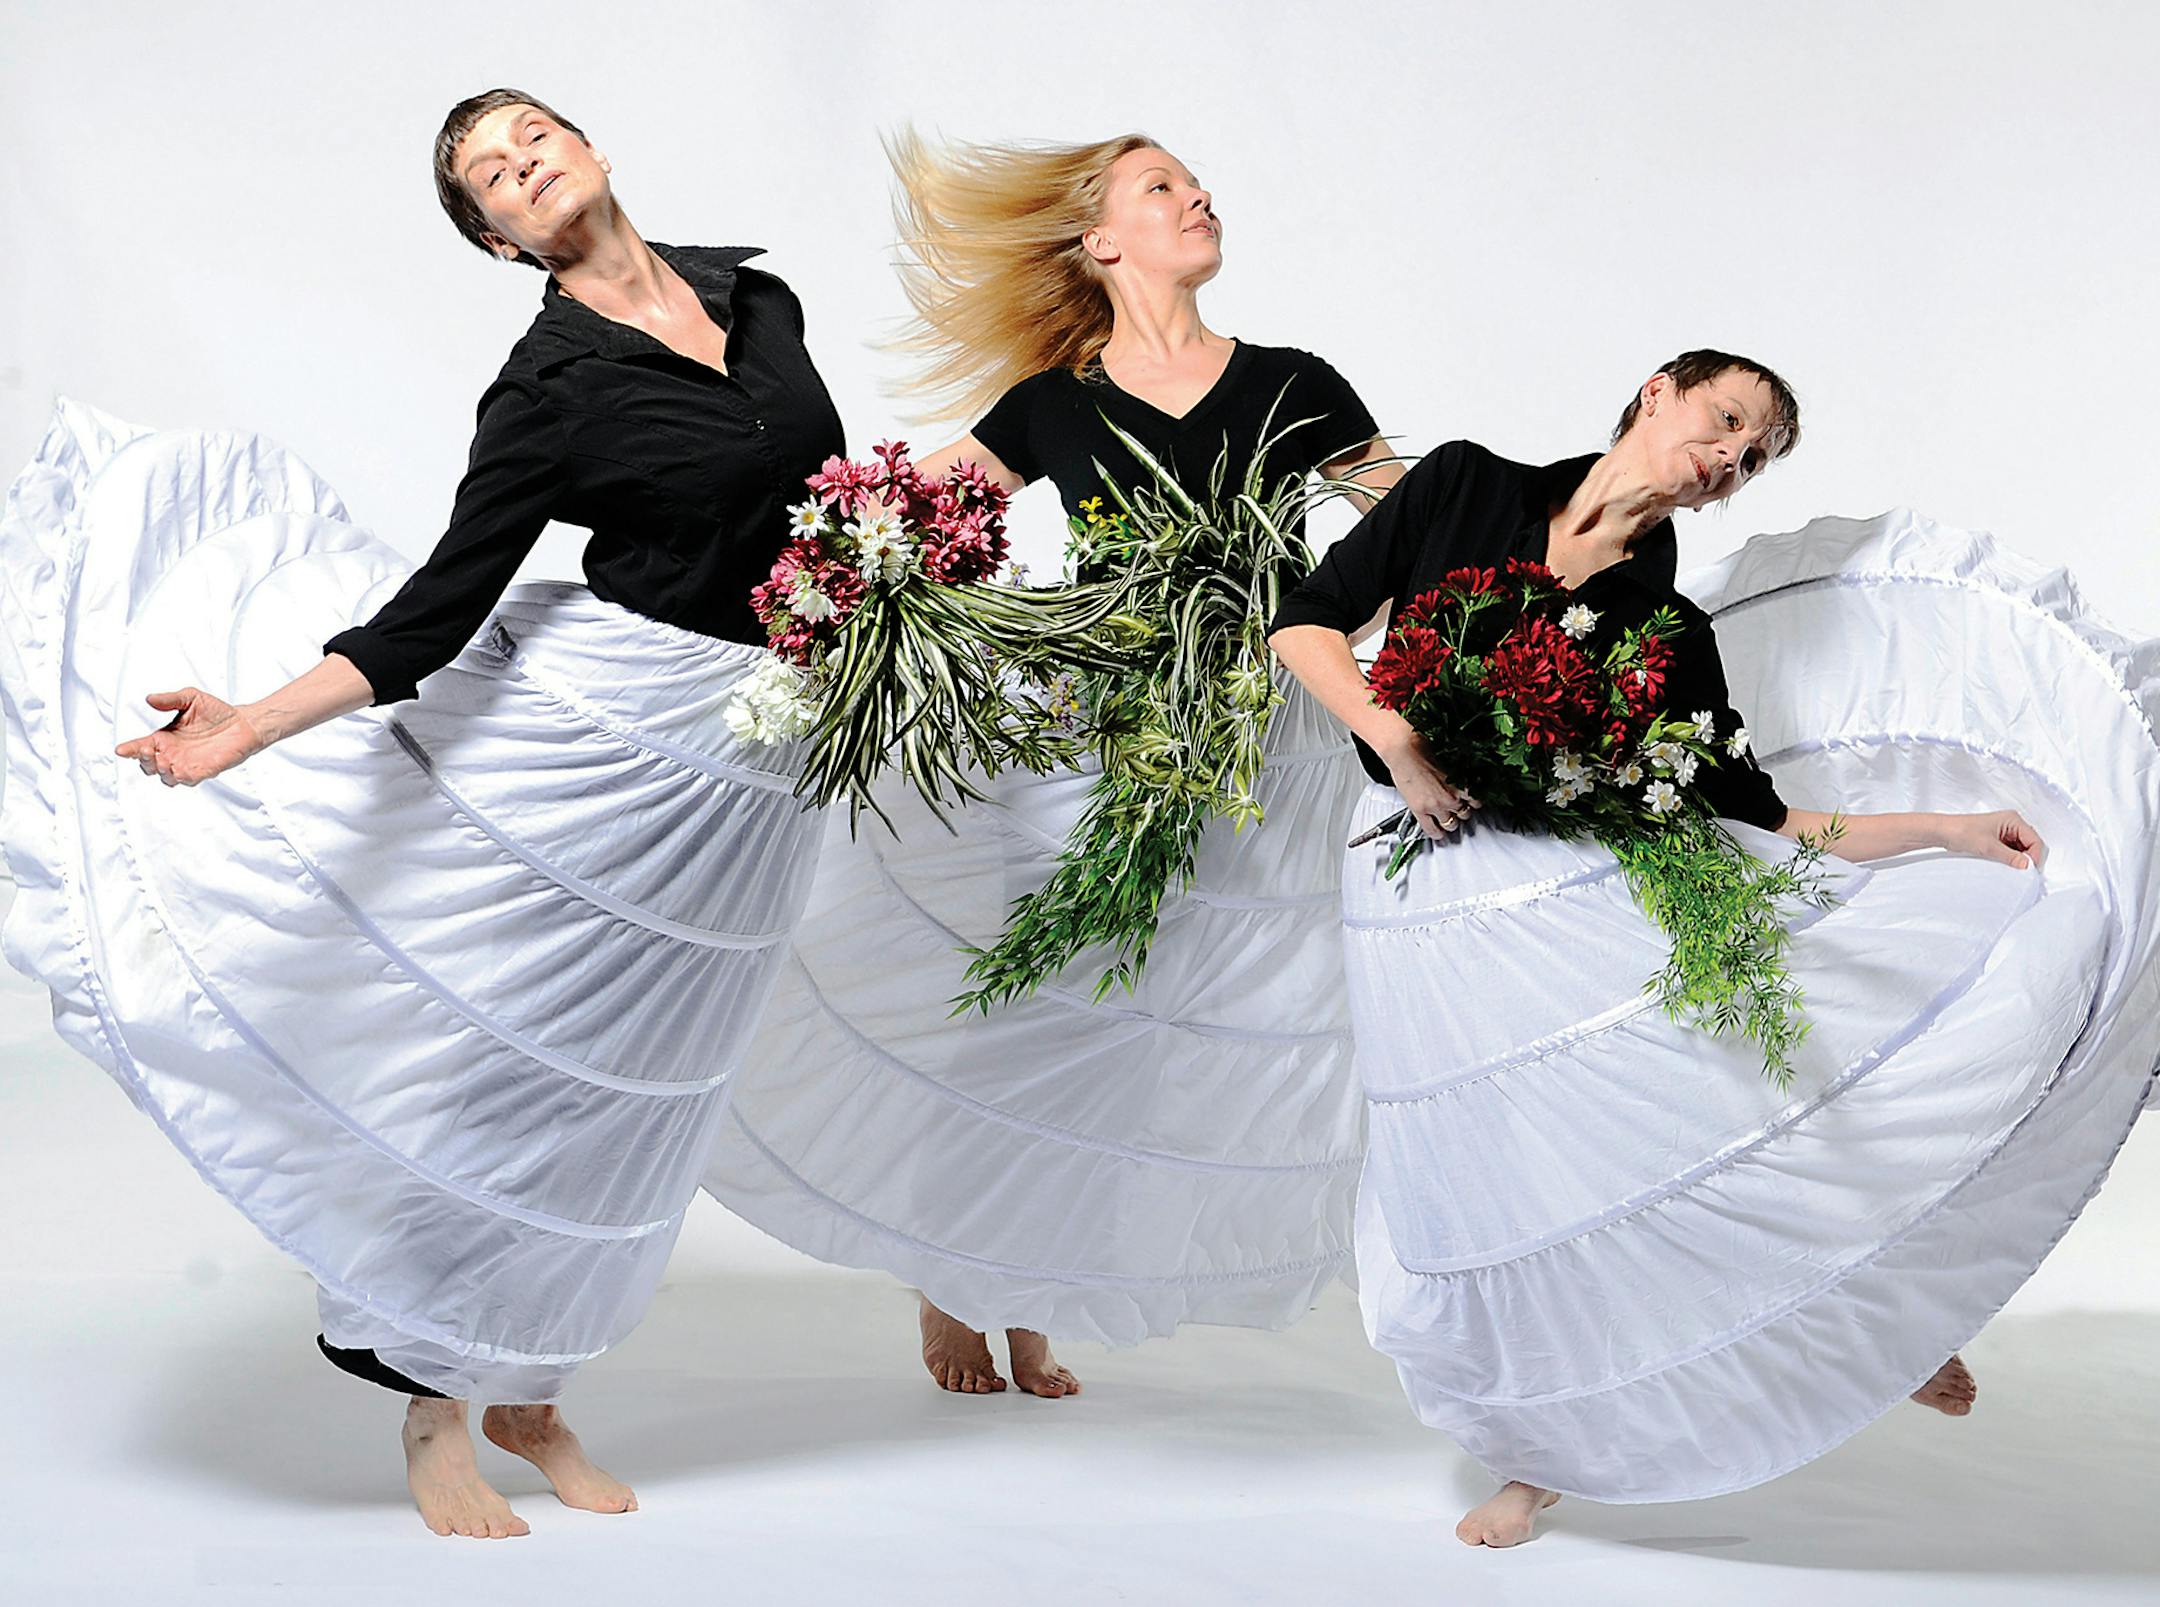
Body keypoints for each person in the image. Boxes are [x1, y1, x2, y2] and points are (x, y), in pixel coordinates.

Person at [0, 88, 843, 1538]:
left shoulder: (756, 295)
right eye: (491, 180)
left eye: (532, 139)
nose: (523, 168)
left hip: (761, 758)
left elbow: (823, 497)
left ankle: (535, 1389)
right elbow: (440, 602)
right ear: (500, 242)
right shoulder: (547, 388)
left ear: (594, 146)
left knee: (650, 1078)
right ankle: (435, 1403)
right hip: (620, 748)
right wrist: (251, 724)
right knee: (516, 1066)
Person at [1268, 350, 2160, 1545]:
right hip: (1409, 885)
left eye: (1752, 457)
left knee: (1671, 1122)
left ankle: (1867, 1305)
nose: (1729, 457)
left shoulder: (1661, 623)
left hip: (1555, 897)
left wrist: (1947, 827)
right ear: (1656, 393)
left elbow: (1765, 814)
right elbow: (1306, 621)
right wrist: (1397, 735)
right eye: (1725, 419)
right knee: (1495, 1177)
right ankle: (1534, 1446)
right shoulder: (1466, 486)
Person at [704, 131, 1399, 1397]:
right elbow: (902, 512)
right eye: (1162, 185)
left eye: (1198, 177)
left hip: (1253, 739)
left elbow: (1412, 520)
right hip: (1097, 728)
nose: (1198, 191)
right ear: (1102, 240)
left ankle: (1033, 1283)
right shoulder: (1052, 404)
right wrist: (818, 583)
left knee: (1147, 1031)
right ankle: (955, 1270)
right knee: (1037, 1005)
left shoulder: (1299, 383)